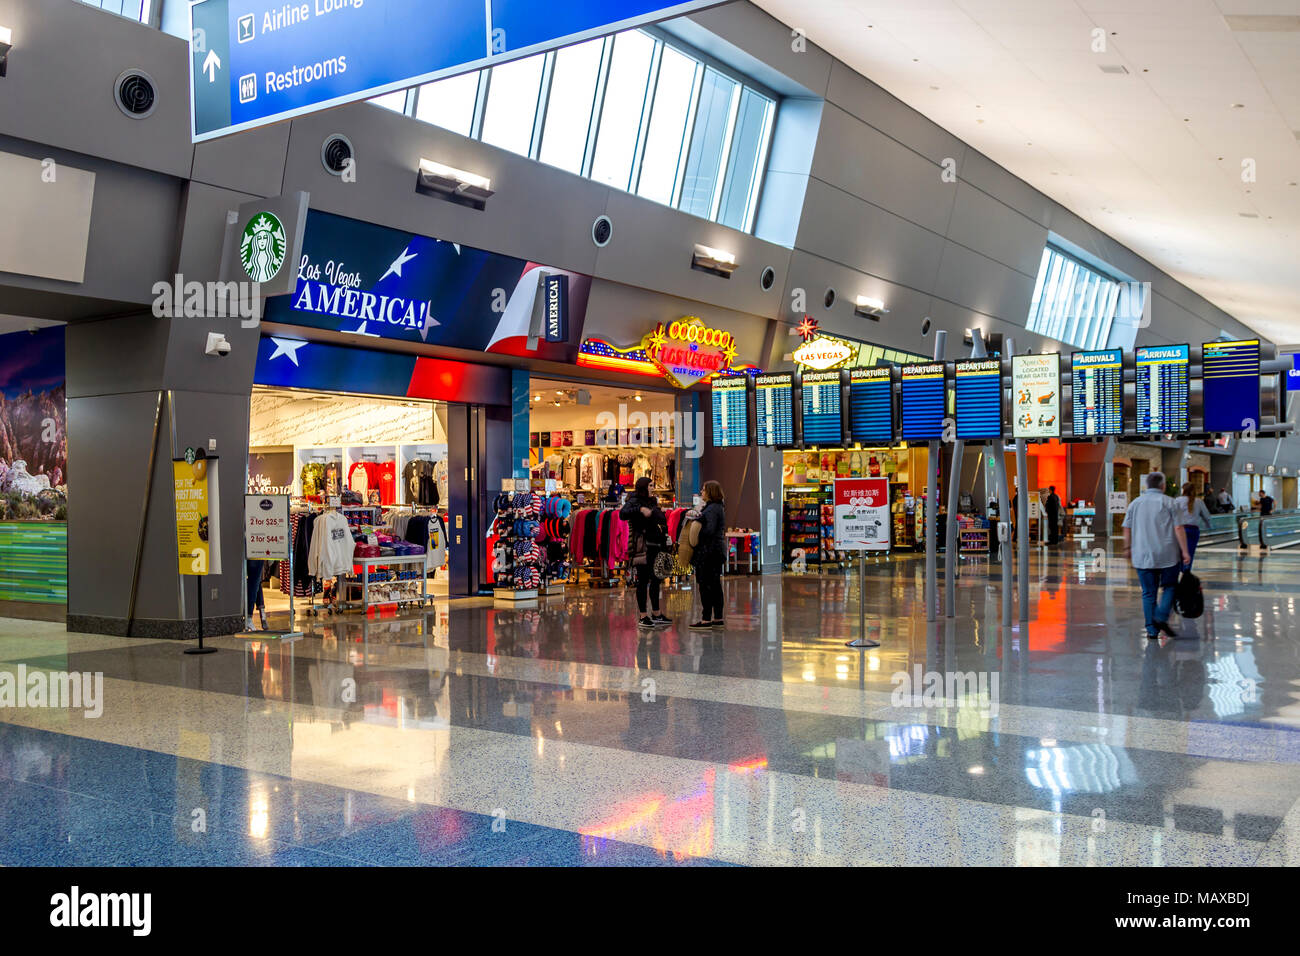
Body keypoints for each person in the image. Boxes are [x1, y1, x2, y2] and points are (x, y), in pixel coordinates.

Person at [1123, 472, 1192, 639]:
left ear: (1147, 485)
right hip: (1167, 555)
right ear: (1163, 486)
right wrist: (1185, 551)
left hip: (1142, 554)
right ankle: (1161, 616)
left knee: (1148, 592)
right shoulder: (1170, 502)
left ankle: (1151, 630)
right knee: (1170, 587)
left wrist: (1127, 548)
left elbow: (1126, 527)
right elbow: (1178, 528)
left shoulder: (1135, 503)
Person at [620, 476, 671, 630]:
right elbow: (623, 514)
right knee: (642, 580)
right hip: (642, 546)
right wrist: (640, 509)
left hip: (656, 544)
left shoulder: (652, 501)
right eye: (650, 485)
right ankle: (643, 615)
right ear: (643, 487)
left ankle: (656, 613)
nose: (652, 487)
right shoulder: (634, 500)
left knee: (656, 579)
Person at [689, 480, 727, 629]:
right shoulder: (717, 507)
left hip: (708, 552)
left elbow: (709, 530)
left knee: (706, 585)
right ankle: (717, 618)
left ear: (710, 492)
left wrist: (697, 528)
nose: (701, 492)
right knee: (715, 585)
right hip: (715, 551)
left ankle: (706, 619)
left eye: (704, 490)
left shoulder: (711, 510)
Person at [1175, 481, 1212, 569]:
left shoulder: (1177, 501)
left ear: (1183, 490)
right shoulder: (1198, 501)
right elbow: (1207, 516)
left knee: (1178, 553)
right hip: (1193, 530)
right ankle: (1186, 572)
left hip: (1179, 529)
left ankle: (1177, 571)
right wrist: (1208, 526)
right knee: (1189, 552)